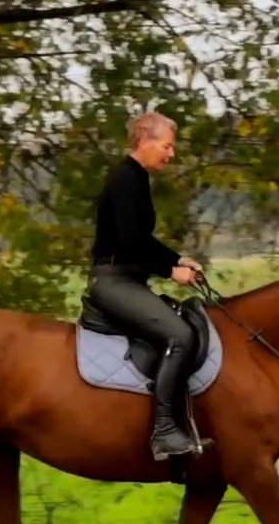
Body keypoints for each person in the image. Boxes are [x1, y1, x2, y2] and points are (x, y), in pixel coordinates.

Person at [86, 110, 204, 461]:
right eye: (167, 146)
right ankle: (165, 430)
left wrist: (178, 259)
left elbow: (141, 238)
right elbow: (129, 241)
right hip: (113, 281)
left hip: (127, 278)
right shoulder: (126, 179)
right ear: (145, 140)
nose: (171, 154)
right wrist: (170, 271)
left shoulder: (135, 178)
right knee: (180, 336)